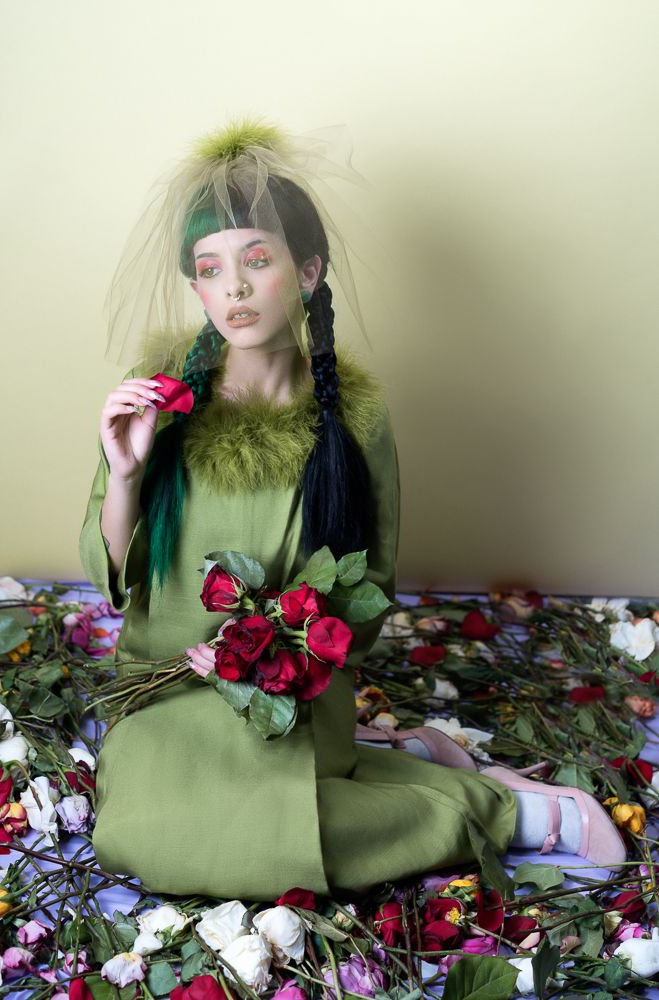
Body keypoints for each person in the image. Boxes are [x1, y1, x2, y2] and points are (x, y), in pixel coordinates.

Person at [80, 119, 625, 902]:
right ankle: (408, 755)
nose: (232, 288)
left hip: (286, 687)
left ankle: (505, 809)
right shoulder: (159, 396)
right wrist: (126, 472)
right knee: (138, 839)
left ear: (305, 274)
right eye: (209, 269)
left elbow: (361, 599)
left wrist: (271, 657)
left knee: (260, 842)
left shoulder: (351, 421)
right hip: (164, 688)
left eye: (255, 261)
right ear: (195, 286)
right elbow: (113, 576)